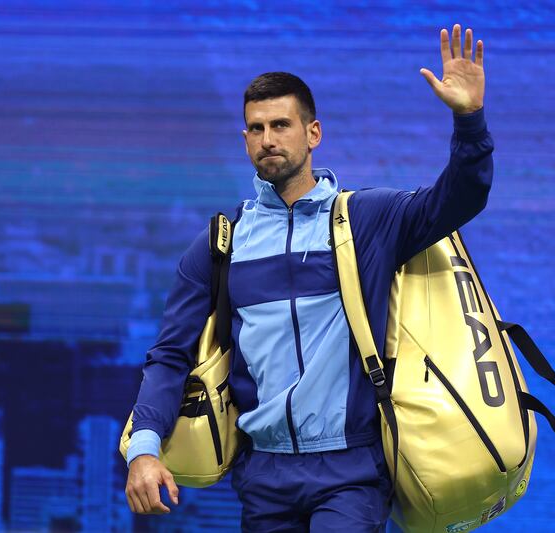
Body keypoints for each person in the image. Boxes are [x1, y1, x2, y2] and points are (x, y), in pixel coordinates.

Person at [124, 23, 493, 532]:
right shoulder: (220, 244)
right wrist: (143, 449)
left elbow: (461, 197)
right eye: (256, 129)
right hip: (263, 474)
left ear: (313, 133)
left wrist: (469, 120)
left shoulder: (366, 219)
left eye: (281, 125)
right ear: (245, 141)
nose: (268, 139)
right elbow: (170, 355)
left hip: (351, 470)